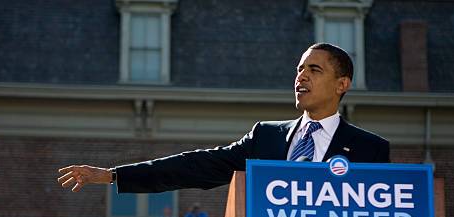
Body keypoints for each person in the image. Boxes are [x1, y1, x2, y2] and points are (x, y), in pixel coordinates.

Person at [57, 43, 390, 193]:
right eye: (299, 69)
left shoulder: (370, 149)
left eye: (313, 70)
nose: (301, 77)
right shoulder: (267, 138)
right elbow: (194, 166)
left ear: (341, 84)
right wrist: (112, 176)